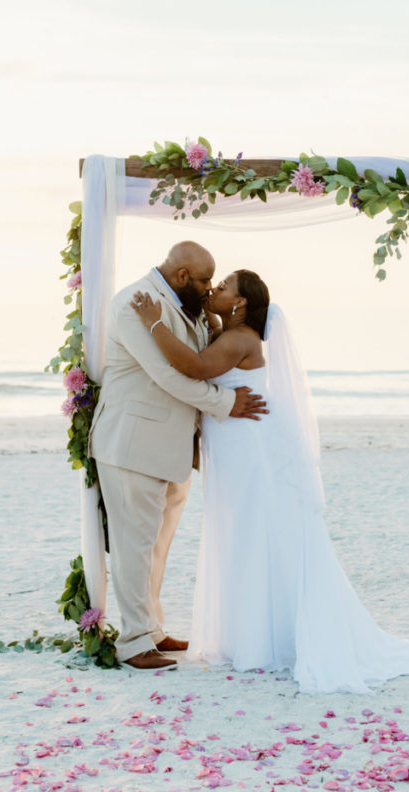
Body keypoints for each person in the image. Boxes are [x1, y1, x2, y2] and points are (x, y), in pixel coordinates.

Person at [131, 268, 409, 693]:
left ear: (239, 304)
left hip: (247, 447)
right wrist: (203, 305)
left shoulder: (240, 339)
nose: (214, 290)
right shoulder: (231, 331)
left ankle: (261, 636)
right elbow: (210, 335)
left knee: (251, 530)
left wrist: (154, 324)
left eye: (223, 287)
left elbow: (197, 367)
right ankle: (251, 633)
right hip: (236, 443)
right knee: (243, 532)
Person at [89, 242, 267, 671]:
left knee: (157, 547)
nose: (210, 289)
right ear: (184, 276)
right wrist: (225, 403)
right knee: (134, 546)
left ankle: (152, 629)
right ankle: (133, 643)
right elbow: (168, 376)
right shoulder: (135, 303)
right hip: (133, 444)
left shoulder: (184, 305)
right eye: (206, 280)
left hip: (170, 449)